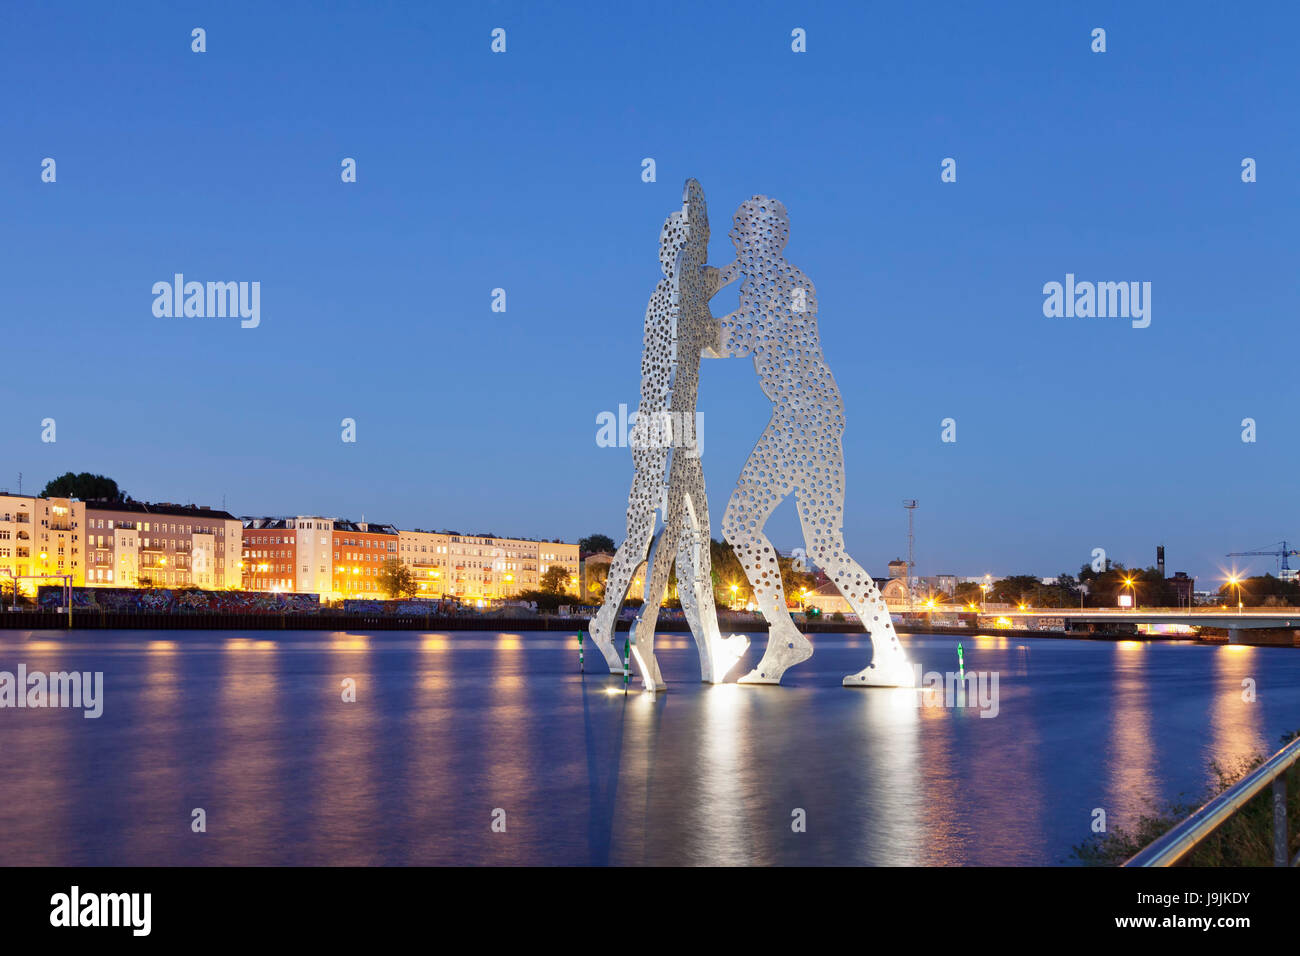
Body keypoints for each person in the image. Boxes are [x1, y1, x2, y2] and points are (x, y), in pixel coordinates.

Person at [709, 196, 912, 687]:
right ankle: (881, 653)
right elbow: (733, 332)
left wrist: (691, 304)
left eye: (741, 230)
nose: (734, 238)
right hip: (812, 419)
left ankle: (787, 636)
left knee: (740, 524)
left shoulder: (784, 285)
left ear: (765, 237)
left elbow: (729, 339)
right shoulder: (777, 281)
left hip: (803, 420)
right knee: (825, 547)